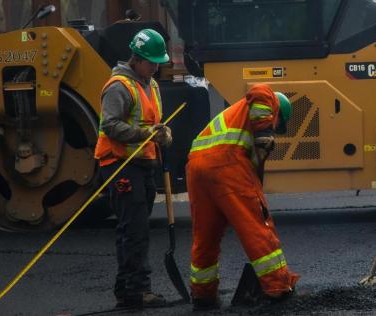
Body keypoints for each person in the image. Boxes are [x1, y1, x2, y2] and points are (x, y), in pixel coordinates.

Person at [186, 83, 298, 310]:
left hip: (196, 167)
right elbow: (260, 89)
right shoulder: (269, 100)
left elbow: (253, 168)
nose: (275, 129)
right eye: (278, 125)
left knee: (206, 235)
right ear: (277, 113)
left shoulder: (236, 121)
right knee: (256, 226)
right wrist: (265, 131)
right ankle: (277, 287)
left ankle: (203, 294)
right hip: (226, 163)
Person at [94, 28, 173, 308]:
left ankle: (126, 289)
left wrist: (162, 132)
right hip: (119, 164)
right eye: (151, 62)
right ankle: (138, 291)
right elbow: (110, 125)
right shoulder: (119, 86)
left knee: (134, 228)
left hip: (142, 162)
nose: (156, 67)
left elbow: (150, 121)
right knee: (135, 229)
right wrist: (145, 134)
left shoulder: (149, 84)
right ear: (136, 58)